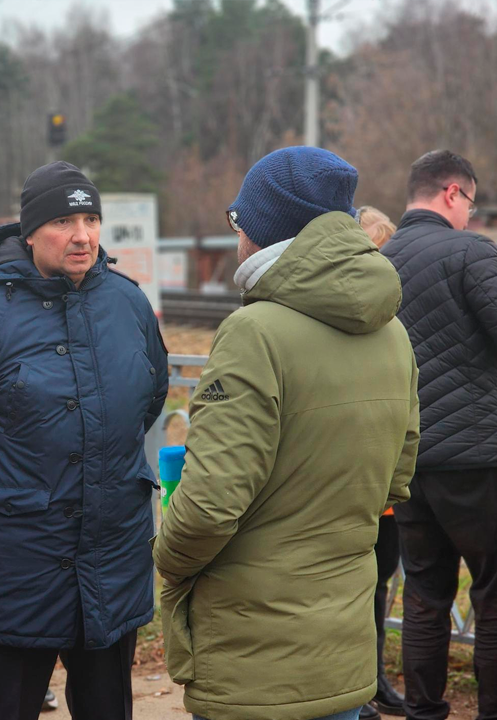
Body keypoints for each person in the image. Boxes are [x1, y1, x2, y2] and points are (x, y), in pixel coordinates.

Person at [151, 146, 420, 720]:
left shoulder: (254, 332)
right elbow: (397, 478)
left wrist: (166, 558)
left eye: (238, 221)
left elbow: (207, 509)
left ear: (265, 232)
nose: (235, 236)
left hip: (255, 662)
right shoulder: (392, 331)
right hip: (342, 648)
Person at [0, 161, 169, 720]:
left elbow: (149, 398)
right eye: (64, 220)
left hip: (110, 558)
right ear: (30, 233)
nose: (82, 235)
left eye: (91, 218)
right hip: (14, 566)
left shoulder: (128, 305)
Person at [381, 150, 497, 720]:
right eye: (471, 201)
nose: (471, 213)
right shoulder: (470, 250)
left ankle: (424, 712)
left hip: (409, 456)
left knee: (424, 592)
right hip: (477, 455)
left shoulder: (383, 258)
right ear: (452, 193)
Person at [356, 205, 404, 720]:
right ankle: (358, 687)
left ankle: (375, 679)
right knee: (354, 590)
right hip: (357, 486)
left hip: (386, 490)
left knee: (380, 585)